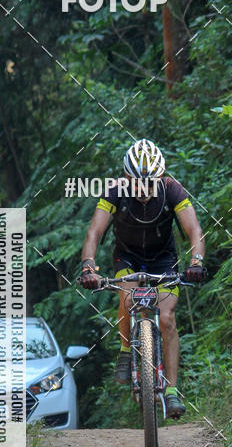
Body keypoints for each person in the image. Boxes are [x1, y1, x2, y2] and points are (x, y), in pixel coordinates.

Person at [78, 138, 206, 418]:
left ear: (160, 178)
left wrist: (196, 261)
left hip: (164, 259)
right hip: (127, 258)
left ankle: (171, 392)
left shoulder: (173, 190)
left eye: (151, 183)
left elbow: (193, 230)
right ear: (127, 178)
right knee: (127, 297)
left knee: (167, 318)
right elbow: (94, 233)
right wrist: (88, 266)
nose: (144, 189)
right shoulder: (114, 191)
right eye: (138, 183)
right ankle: (126, 349)